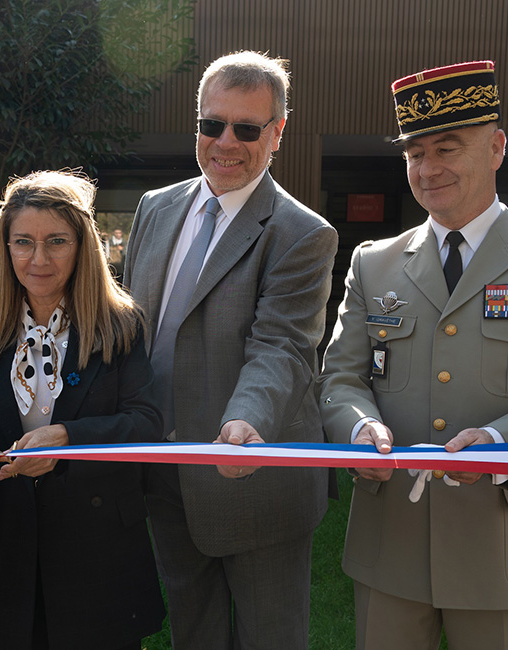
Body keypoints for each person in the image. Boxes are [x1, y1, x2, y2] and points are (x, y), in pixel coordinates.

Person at [318, 61, 508, 649]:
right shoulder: (374, 263)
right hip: (391, 546)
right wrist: (358, 431)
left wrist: (500, 444)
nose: (428, 169)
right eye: (414, 153)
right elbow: (340, 379)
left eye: (447, 148)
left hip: (502, 544)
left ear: (497, 147)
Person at [123, 51, 339, 649]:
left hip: (253, 480)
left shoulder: (301, 233)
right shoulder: (155, 208)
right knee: (194, 635)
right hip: (165, 474)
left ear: (277, 133)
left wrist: (247, 420)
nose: (226, 142)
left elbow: (283, 346)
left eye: (247, 129)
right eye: (212, 124)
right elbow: (130, 328)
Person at [0, 170, 165, 650]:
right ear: (4, 248)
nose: (38, 259)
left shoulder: (120, 326)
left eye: (56, 241)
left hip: (97, 555)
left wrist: (68, 438)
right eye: (23, 242)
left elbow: (146, 425)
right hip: (6, 553)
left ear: (83, 247)